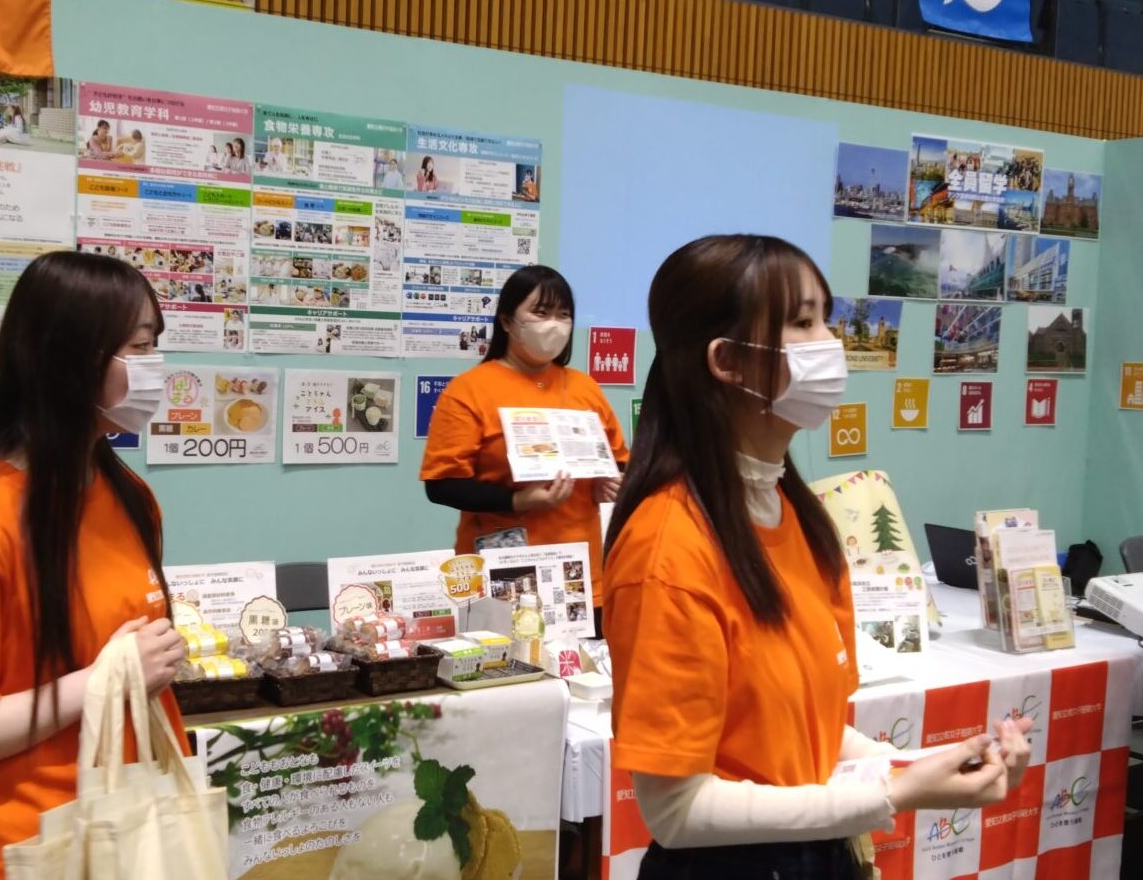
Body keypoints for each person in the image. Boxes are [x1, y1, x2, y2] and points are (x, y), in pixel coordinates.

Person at [603, 235, 1031, 878]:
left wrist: (926, 770)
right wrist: (893, 793)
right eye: (803, 323)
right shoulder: (669, 550)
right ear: (728, 360)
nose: (831, 343)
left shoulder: (798, 517)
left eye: (826, 319)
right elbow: (676, 812)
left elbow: (808, 734)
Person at [0, 251, 188, 880]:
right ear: (70, 359)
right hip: (24, 852)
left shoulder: (129, 496)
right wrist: (106, 678)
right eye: (139, 347)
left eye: (154, 345)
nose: (155, 368)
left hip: (127, 834)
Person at [420, 265, 628, 631]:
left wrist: (609, 483)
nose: (554, 325)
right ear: (506, 321)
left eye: (563, 315)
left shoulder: (585, 388)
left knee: (582, 665)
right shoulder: (469, 390)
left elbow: (618, 462)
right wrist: (518, 501)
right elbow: (442, 485)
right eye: (540, 312)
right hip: (501, 573)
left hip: (578, 575)